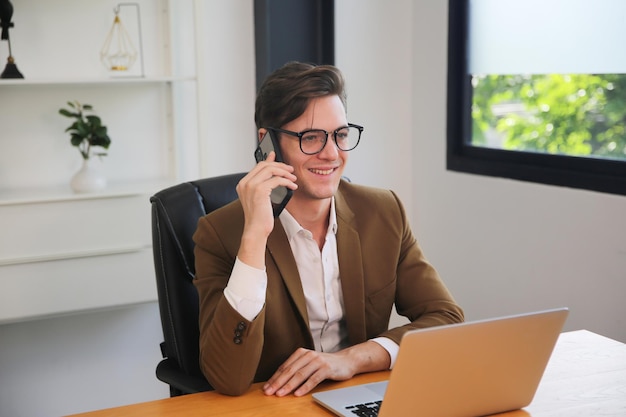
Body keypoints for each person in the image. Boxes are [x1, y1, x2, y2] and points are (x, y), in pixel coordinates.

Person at [193, 61, 464, 397]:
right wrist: (254, 239)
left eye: (340, 135)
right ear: (268, 143)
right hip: (277, 406)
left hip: (361, 394)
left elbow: (446, 318)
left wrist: (351, 359)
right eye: (311, 138)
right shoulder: (220, 234)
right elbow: (227, 378)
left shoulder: (383, 212)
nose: (332, 154)